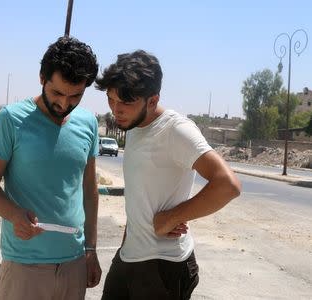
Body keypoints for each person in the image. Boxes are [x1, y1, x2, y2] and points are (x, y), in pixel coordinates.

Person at [95, 50, 242, 300]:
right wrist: (125, 244)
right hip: (129, 256)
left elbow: (228, 185)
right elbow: (141, 195)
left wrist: (172, 217)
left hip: (163, 265)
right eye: (111, 99)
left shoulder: (176, 129)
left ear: (152, 101)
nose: (116, 110)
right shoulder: (133, 127)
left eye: (125, 103)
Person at [0, 36, 101, 300]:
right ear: (42, 77)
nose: (64, 104)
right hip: (24, 265)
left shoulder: (88, 123)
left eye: (75, 96)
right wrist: (14, 214)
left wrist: (90, 249)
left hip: (74, 265)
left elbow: (89, 191)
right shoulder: (11, 119)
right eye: (57, 93)